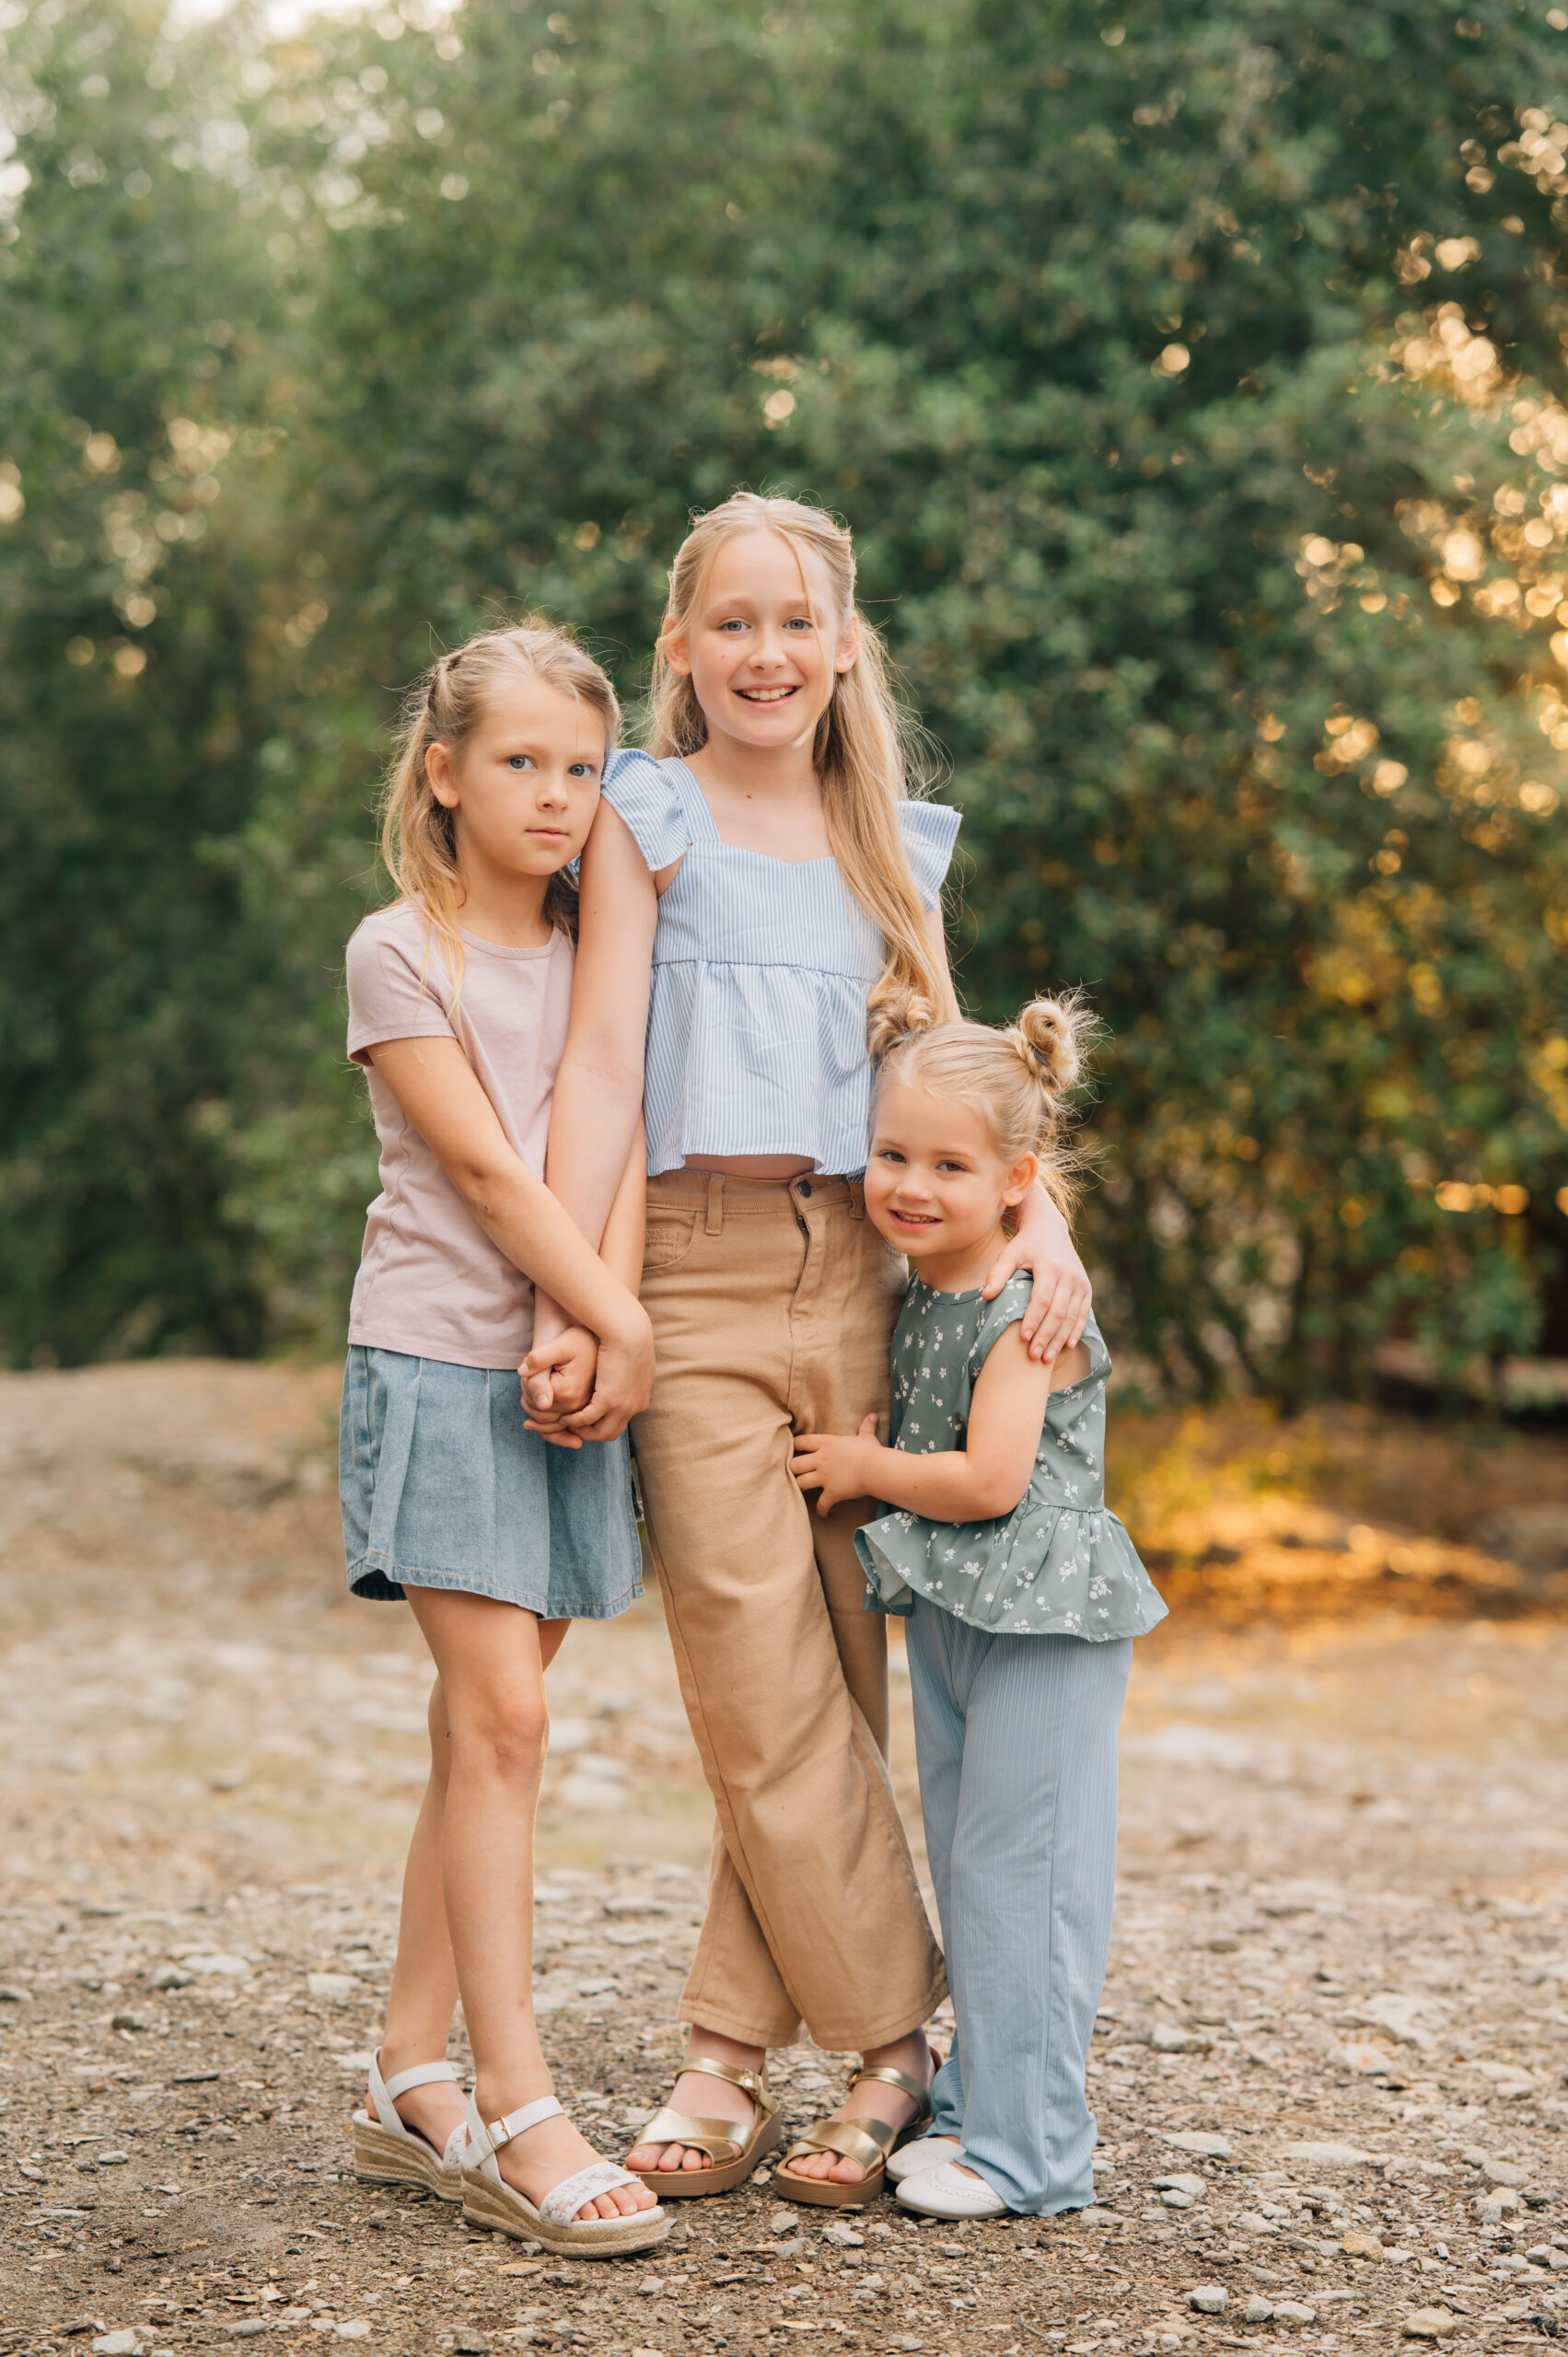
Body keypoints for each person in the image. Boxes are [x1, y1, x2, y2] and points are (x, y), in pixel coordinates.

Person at [523, 493, 1094, 2208]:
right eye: (732, 623)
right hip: (685, 1272)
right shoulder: (648, 815)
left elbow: (963, 1085)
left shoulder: (887, 840)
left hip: (866, 1276)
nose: (766, 653)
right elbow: (603, 1063)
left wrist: (1039, 1217)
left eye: (798, 623)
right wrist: (584, 1291)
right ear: (681, 650)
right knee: (759, 1681)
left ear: (844, 646)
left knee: (837, 1680)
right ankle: (900, 2043)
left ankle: (722, 2057)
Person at [338, 621, 668, 2255]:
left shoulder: (607, 943)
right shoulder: (400, 952)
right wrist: (614, 1313)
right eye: (521, 762)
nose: (555, 796)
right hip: (440, 1362)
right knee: (509, 1725)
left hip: (571, 1367)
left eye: (582, 770)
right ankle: (518, 2109)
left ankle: (410, 2072)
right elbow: (485, 1174)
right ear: (446, 772)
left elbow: (616, 1128)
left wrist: (599, 1327)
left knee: (487, 1731)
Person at [791, 995, 1167, 2221]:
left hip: (1044, 1625)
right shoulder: (927, 1293)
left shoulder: (1024, 1303)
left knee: (1028, 1879)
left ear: (1016, 1182)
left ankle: (1035, 2155)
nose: (909, 1185)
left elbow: (988, 1480)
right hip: (965, 1612)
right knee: (971, 1862)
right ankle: (978, 2111)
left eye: (949, 1165)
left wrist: (865, 1470)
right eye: (892, 1155)